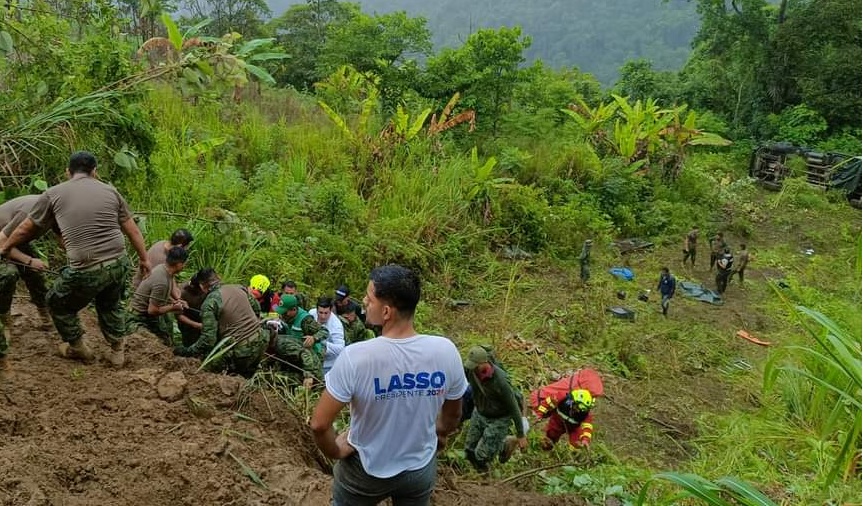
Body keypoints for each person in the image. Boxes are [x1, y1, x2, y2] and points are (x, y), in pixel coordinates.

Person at [310, 265, 467, 506]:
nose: (363, 301)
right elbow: (453, 414)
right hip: (419, 468)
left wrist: (335, 451)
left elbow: (320, 424)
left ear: (385, 312)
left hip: (365, 469)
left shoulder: (357, 357)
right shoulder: (445, 351)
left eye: (369, 298)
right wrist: (439, 433)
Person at [0, 151, 150, 367]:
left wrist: (5, 248)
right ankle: (117, 351)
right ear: (95, 172)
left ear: (68, 172)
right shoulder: (110, 191)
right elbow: (132, 230)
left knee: (57, 302)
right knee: (110, 304)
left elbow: (24, 230)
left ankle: (78, 347)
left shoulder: (53, 194)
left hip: (88, 268)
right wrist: (145, 260)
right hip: (119, 262)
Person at [173, 268, 269, 378]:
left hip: (243, 350)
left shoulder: (210, 303)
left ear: (202, 286)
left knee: (205, 371)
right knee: (245, 378)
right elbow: (256, 307)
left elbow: (208, 340)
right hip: (262, 340)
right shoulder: (239, 288)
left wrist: (186, 351)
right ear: (218, 277)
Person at [462, 346, 527, 472]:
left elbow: (513, 407)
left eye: (476, 365)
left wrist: (520, 434)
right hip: (480, 412)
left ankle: (486, 481)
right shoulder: (470, 371)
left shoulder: (500, 381)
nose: (473, 368)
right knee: (469, 451)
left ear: (484, 363)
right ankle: (499, 445)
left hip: (499, 418)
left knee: (482, 456)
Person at [128, 246, 189, 345]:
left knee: (167, 333)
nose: (184, 266)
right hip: (139, 316)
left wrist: (176, 300)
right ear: (178, 264)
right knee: (162, 343)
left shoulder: (163, 268)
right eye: (184, 264)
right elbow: (152, 310)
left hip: (146, 313)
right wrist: (173, 307)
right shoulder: (162, 281)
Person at [267, 294, 328, 389]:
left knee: (312, 384)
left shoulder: (306, 320)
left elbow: (324, 331)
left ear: (294, 310)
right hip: (295, 353)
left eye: (285, 312)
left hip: (311, 356)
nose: (282, 314)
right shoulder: (285, 317)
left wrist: (314, 338)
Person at [308, 296, 345, 376]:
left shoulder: (336, 325)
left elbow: (340, 348)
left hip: (328, 364)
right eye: (320, 312)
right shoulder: (311, 313)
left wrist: (319, 343)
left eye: (326, 313)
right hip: (311, 359)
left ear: (331, 311)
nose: (323, 316)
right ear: (317, 310)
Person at [177, 271, 207, 347]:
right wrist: (196, 325)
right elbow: (179, 316)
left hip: (202, 317)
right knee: (190, 344)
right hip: (188, 324)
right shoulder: (181, 293)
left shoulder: (206, 288)